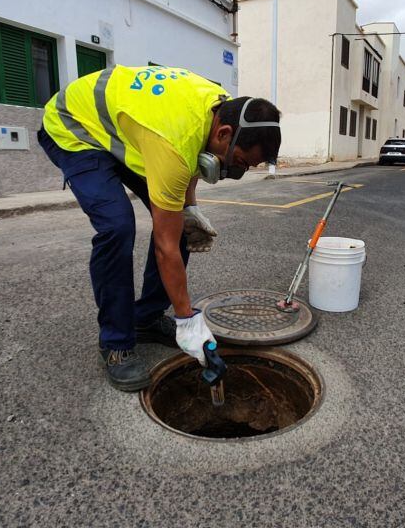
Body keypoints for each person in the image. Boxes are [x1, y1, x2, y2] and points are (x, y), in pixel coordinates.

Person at [37, 64, 281, 391]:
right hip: (73, 126)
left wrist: (189, 208)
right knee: (117, 226)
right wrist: (187, 320)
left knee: (179, 225)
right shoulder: (173, 145)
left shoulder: (218, 107)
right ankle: (115, 342)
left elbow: (196, 155)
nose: (237, 170)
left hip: (127, 129)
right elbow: (166, 248)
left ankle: (147, 319)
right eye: (239, 161)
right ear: (224, 134)